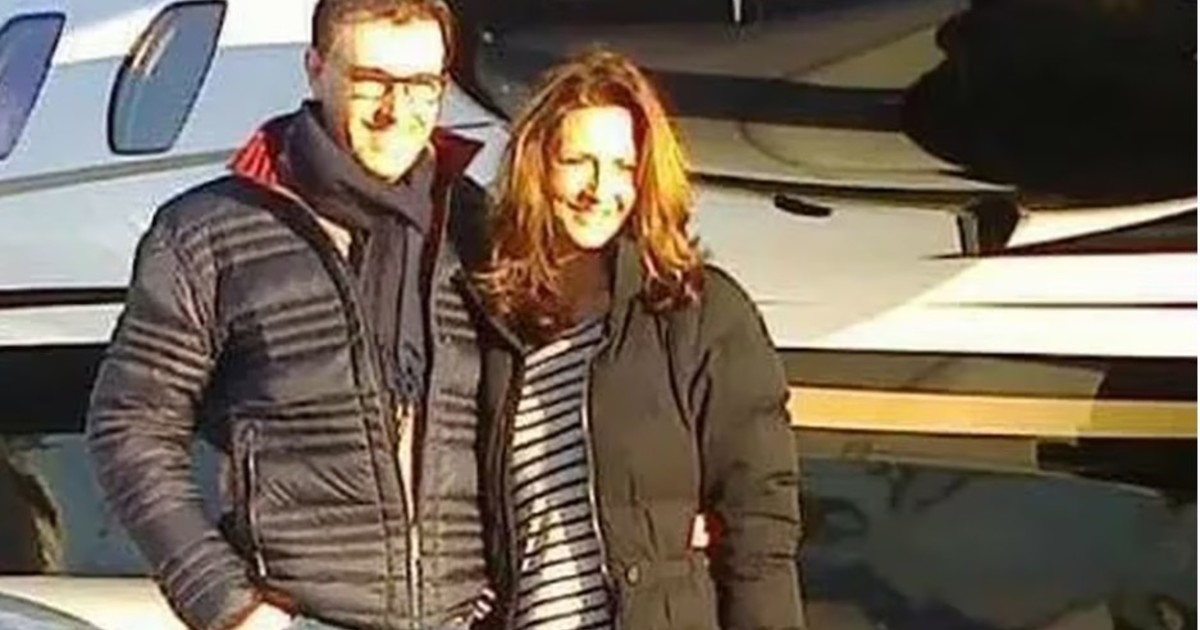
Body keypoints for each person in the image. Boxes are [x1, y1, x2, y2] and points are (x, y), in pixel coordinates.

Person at [85, 1, 493, 629]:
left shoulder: (472, 226)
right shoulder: (209, 233)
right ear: (316, 69)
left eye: (421, 85)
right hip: (302, 618)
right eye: (372, 82)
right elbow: (130, 426)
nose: (397, 110)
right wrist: (227, 605)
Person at [467, 50, 805, 630]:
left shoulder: (698, 314)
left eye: (623, 166)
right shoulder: (500, 328)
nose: (601, 189)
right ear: (536, 167)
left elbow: (760, 525)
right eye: (578, 162)